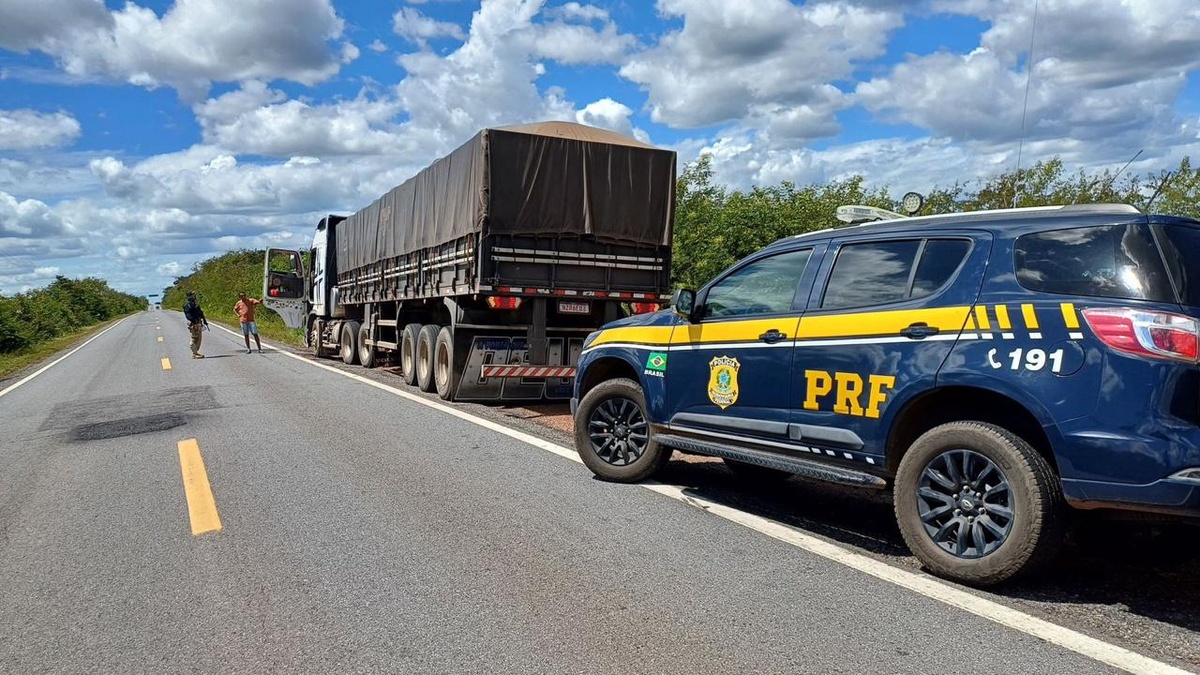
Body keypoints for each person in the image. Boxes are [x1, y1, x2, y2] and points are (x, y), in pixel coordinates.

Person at [182, 291, 208, 359]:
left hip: (198, 322)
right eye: (193, 295)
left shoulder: (194, 303)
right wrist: (194, 322)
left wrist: (204, 321)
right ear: (189, 296)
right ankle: (194, 353)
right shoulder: (187, 305)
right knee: (195, 338)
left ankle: (196, 352)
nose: (195, 296)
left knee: (199, 338)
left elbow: (200, 312)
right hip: (194, 323)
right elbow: (188, 316)